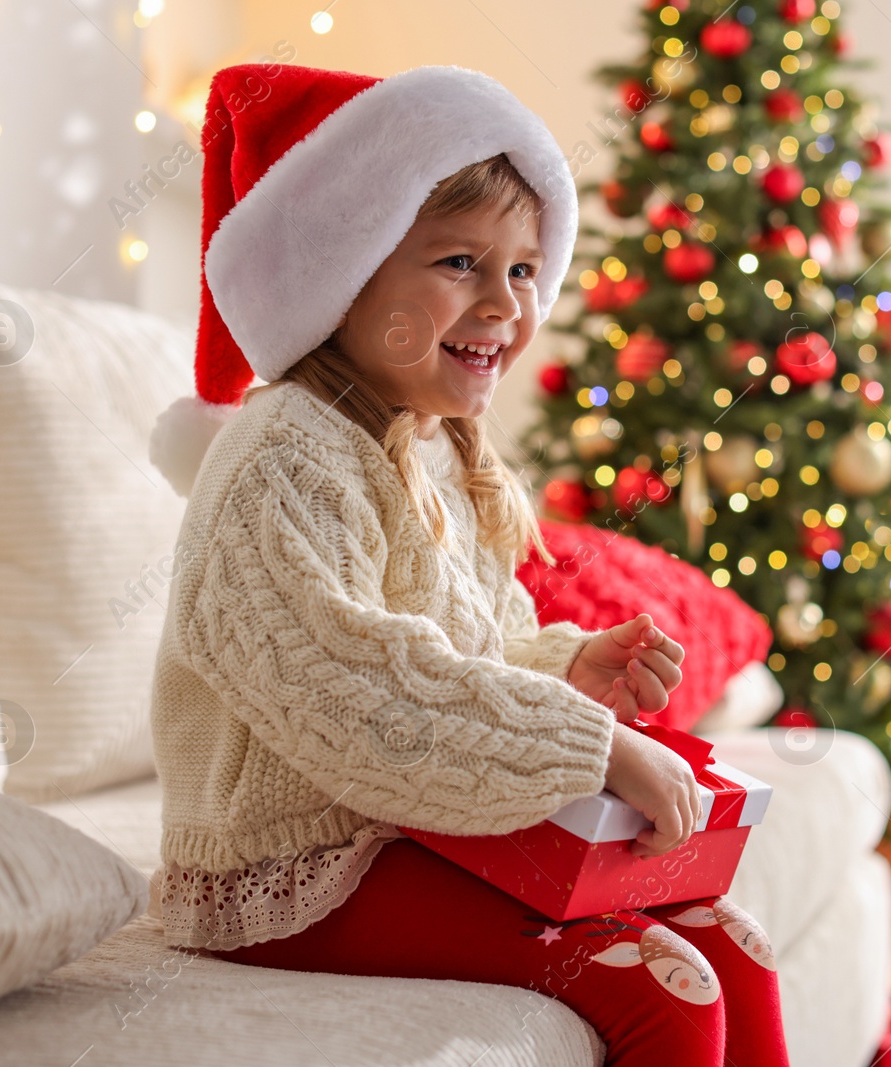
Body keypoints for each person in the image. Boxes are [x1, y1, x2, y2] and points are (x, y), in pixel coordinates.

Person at [144, 62, 791, 1067]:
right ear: (344, 273)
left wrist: (566, 668)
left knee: (733, 948)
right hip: (295, 869)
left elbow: (464, 655)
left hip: (408, 829)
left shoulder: (441, 448)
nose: (504, 302)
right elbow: (353, 691)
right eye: (459, 262)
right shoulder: (283, 457)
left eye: (525, 270)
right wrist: (597, 744)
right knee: (666, 990)